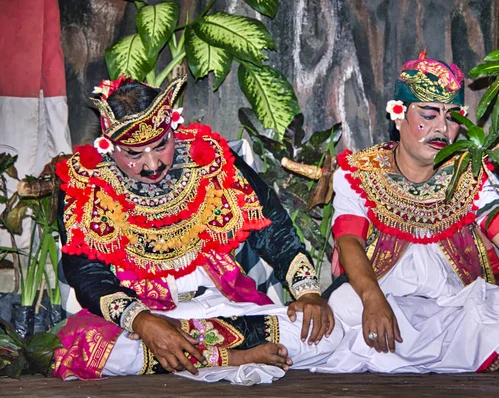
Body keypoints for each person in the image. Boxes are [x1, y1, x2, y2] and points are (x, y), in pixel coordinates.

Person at [52, 74, 341, 380]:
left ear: (173, 127)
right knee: (91, 346)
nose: (152, 165)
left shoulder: (212, 160)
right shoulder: (85, 183)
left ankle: (205, 358)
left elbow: (273, 228)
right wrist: (141, 321)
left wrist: (308, 292)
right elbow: (85, 273)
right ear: (108, 146)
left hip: (225, 306)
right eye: (135, 154)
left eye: (161, 145)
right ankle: (236, 357)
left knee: (327, 333)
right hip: (150, 315)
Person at [313, 51, 499, 374]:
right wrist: (373, 298)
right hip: (387, 306)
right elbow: (349, 242)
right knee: (344, 305)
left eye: (452, 117)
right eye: (429, 115)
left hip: (455, 310)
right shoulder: (360, 173)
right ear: (398, 116)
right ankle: (467, 353)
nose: (442, 129)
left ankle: (442, 352)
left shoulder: (472, 173)